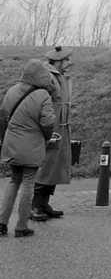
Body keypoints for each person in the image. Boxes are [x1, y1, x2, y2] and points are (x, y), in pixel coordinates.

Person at [0, 59, 57, 238]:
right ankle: (21, 226)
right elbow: (48, 122)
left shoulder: (12, 91)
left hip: (11, 143)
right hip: (31, 145)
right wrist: (47, 137)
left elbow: (3, 117)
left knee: (14, 180)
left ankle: (2, 222)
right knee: (27, 183)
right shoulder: (42, 95)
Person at [32, 45, 74, 221]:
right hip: (50, 127)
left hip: (61, 127)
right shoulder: (46, 77)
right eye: (66, 60)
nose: (68, 63)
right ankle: (34, 205)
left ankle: (44, 203)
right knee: (45, 166)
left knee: (55, 166)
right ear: (57, 61)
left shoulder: (60, 77)